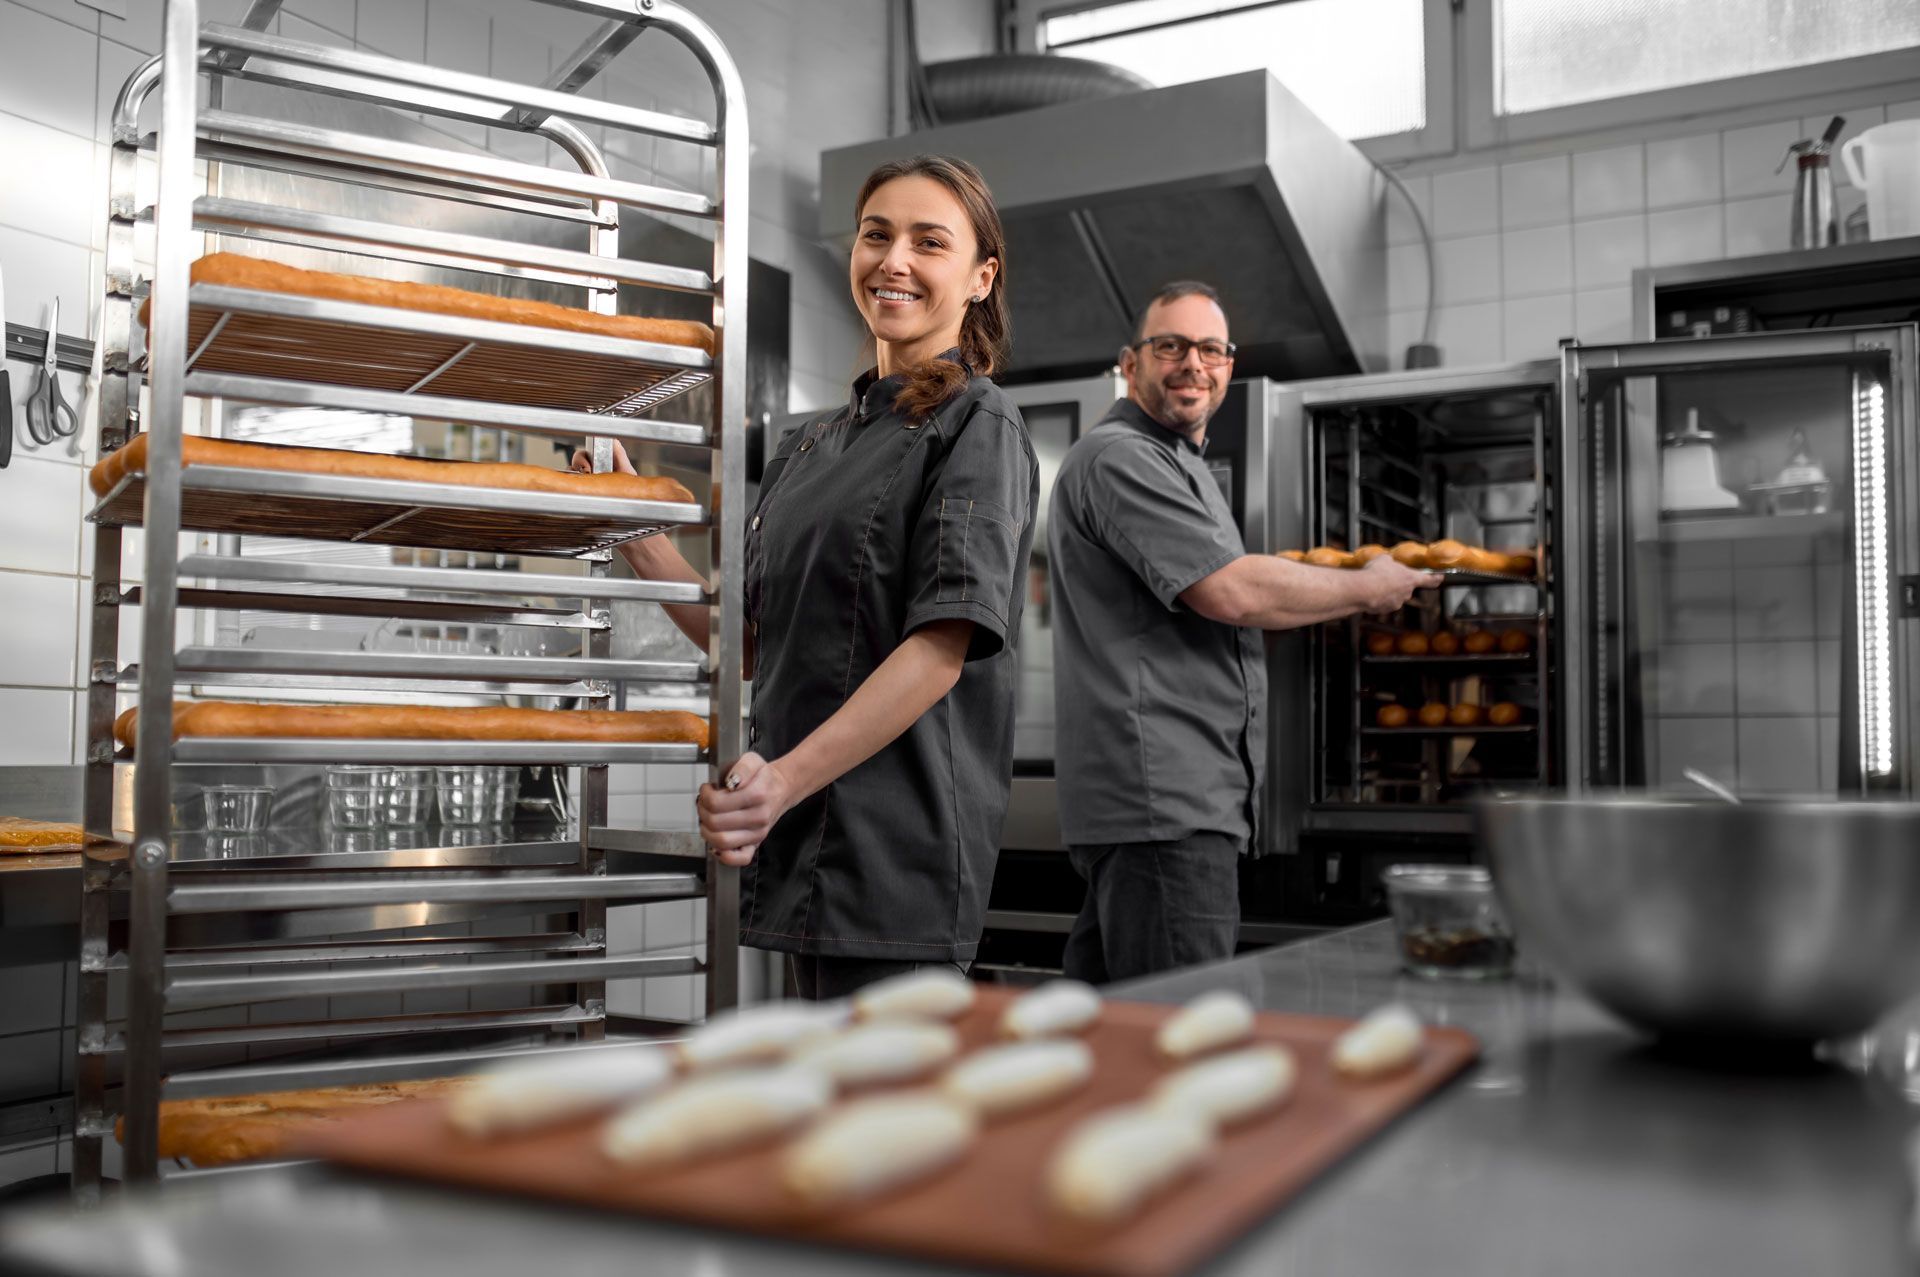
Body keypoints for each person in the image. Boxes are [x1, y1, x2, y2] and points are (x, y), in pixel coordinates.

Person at [579, 156, 1037, 1002]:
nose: (894, 259)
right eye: (876, 235)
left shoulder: (980, 424)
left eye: (928, 242)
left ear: (981, 277)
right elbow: (757, 647)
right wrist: (640, 525)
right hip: (797, 854)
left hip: (896, 862)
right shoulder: (810, 446)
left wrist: (784, 778)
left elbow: (940, 645)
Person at [1047, 280, 1436, 983]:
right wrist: (1366, 589)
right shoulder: (1121, 457)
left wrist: (1314, 591)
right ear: (1129, 365)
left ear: (1230, 366)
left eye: (1209, 349)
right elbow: (1228, 590)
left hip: (1171, 808)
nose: (1192, 363)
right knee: (1178, 1036)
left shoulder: (1182, 465)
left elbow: (1231, 595)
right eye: (1170, 346)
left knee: (1113, 1034)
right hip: (1163, 804)